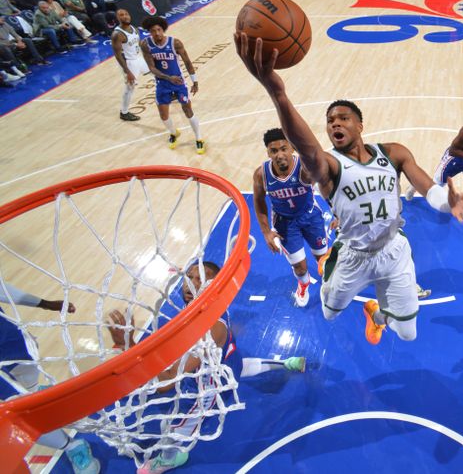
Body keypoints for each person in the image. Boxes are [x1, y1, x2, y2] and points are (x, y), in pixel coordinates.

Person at [235, 34, 463, 346]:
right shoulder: (328, 166)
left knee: (408, 332)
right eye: (330, 121)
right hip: (354, 256)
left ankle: (376, 314)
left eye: (343, 118)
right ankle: (327, 267)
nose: (335, 124)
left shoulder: (394, 152)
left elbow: (426, 186)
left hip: (393, 251)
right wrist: (278, 94)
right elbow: (309, 152)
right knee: (331, 312)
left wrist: (445, 202)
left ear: (360, 125)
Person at [107, 261, 305, 474]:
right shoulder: (203, 306)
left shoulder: (211, 329)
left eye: (202, 277)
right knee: (245, 367)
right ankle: (287, 363)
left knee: (172, 428)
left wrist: (130, 346)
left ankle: (169, 460)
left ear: (216, 285)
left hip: (211, 387)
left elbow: (165, 383)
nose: (192, 283)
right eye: (190, 277)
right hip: (229, 361)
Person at [0, 283, 100, 474]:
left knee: (27, 389)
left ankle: (38, 396)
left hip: (7, 340)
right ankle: (71, 445)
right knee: (18, 410)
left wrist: (44, 303)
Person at [253, 128, 330, 307]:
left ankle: (328, 283)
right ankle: (303, 284)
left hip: (311, 216)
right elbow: (258, 202)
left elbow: (328, 186)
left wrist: (339, 213)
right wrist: (266, 232)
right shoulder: (261, 174)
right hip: (284, 223)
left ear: (292, 148)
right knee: (300, 267)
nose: (279, 154)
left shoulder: (304, 167)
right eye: (274, 151)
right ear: (268, 153)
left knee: (323, 260)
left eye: (283, 148)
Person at [140, 16, 205, 154]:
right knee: (163, 115)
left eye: (159, 30)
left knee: (188, 111)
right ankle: (173, 133)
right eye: (153, 31)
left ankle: (199, 138)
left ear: (163, 29)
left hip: (179, 83)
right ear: (149, 32)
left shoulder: (175, 43)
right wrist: (168, 78)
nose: (157, 33)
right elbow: (151, 67)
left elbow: (187, 62)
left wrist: (195, 81)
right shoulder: (145, 44)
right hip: (163, 83)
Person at [112, 9, 149, 122]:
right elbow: (118, 56)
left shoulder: (134, 28)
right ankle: (124, 112)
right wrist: (127, 72)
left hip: (139, 58)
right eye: (121, 15)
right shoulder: (117, 34)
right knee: (130, 87)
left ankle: (170, 93)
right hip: (129, 63)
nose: (125, 16)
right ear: (118, 18)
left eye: (126, 14)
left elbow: (138, 44)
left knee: (156, 72)